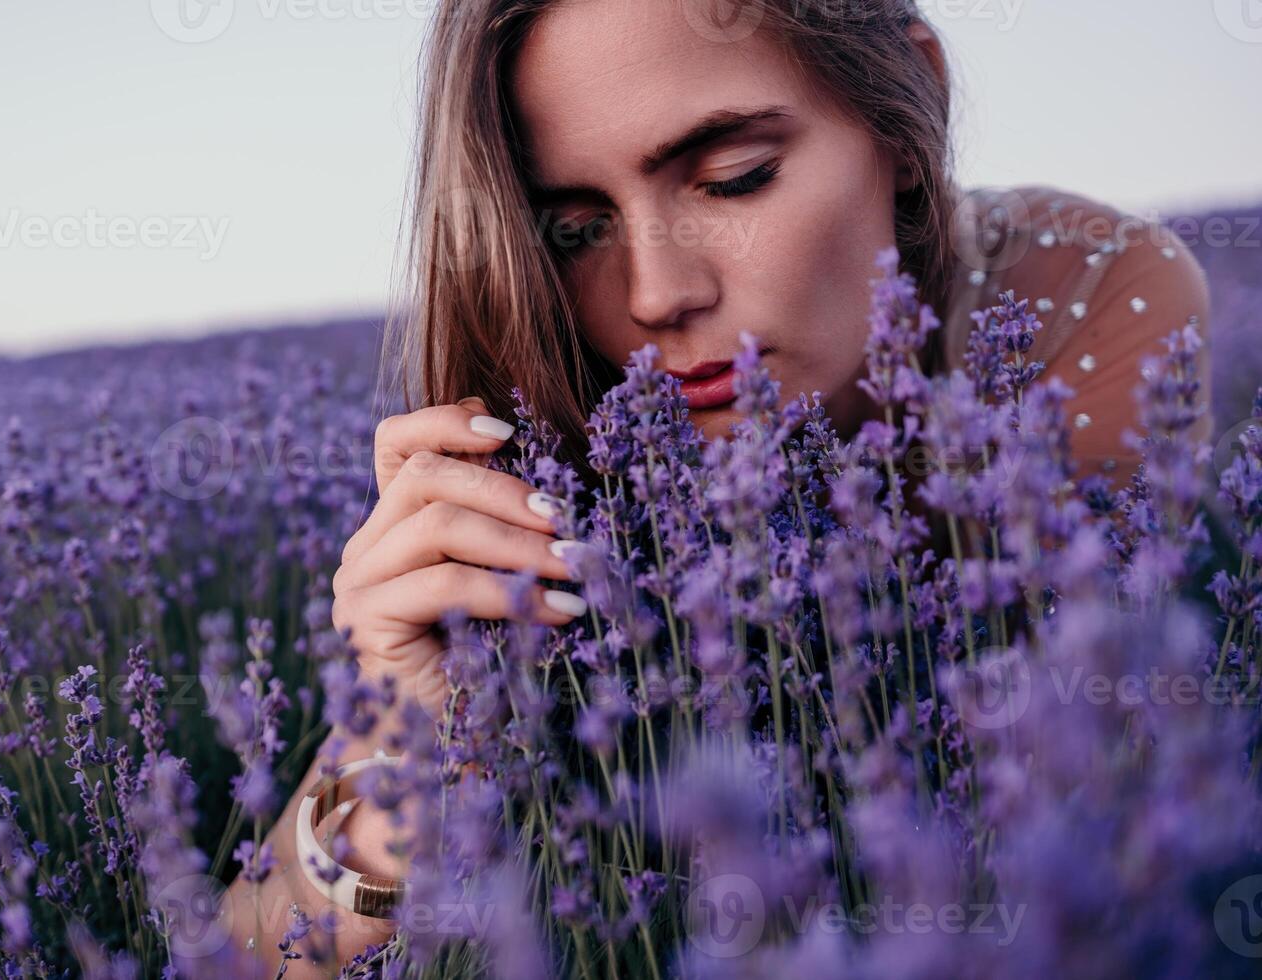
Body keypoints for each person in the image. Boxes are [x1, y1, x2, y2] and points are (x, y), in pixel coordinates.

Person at [226, 1, 1213, 974]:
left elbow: (1085, 850)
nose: (657, 294)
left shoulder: (1071, 301)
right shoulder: (549, 406)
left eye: (733, 181)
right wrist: (396, 755)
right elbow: (234, 951)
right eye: (573, 231)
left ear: (910, 114)